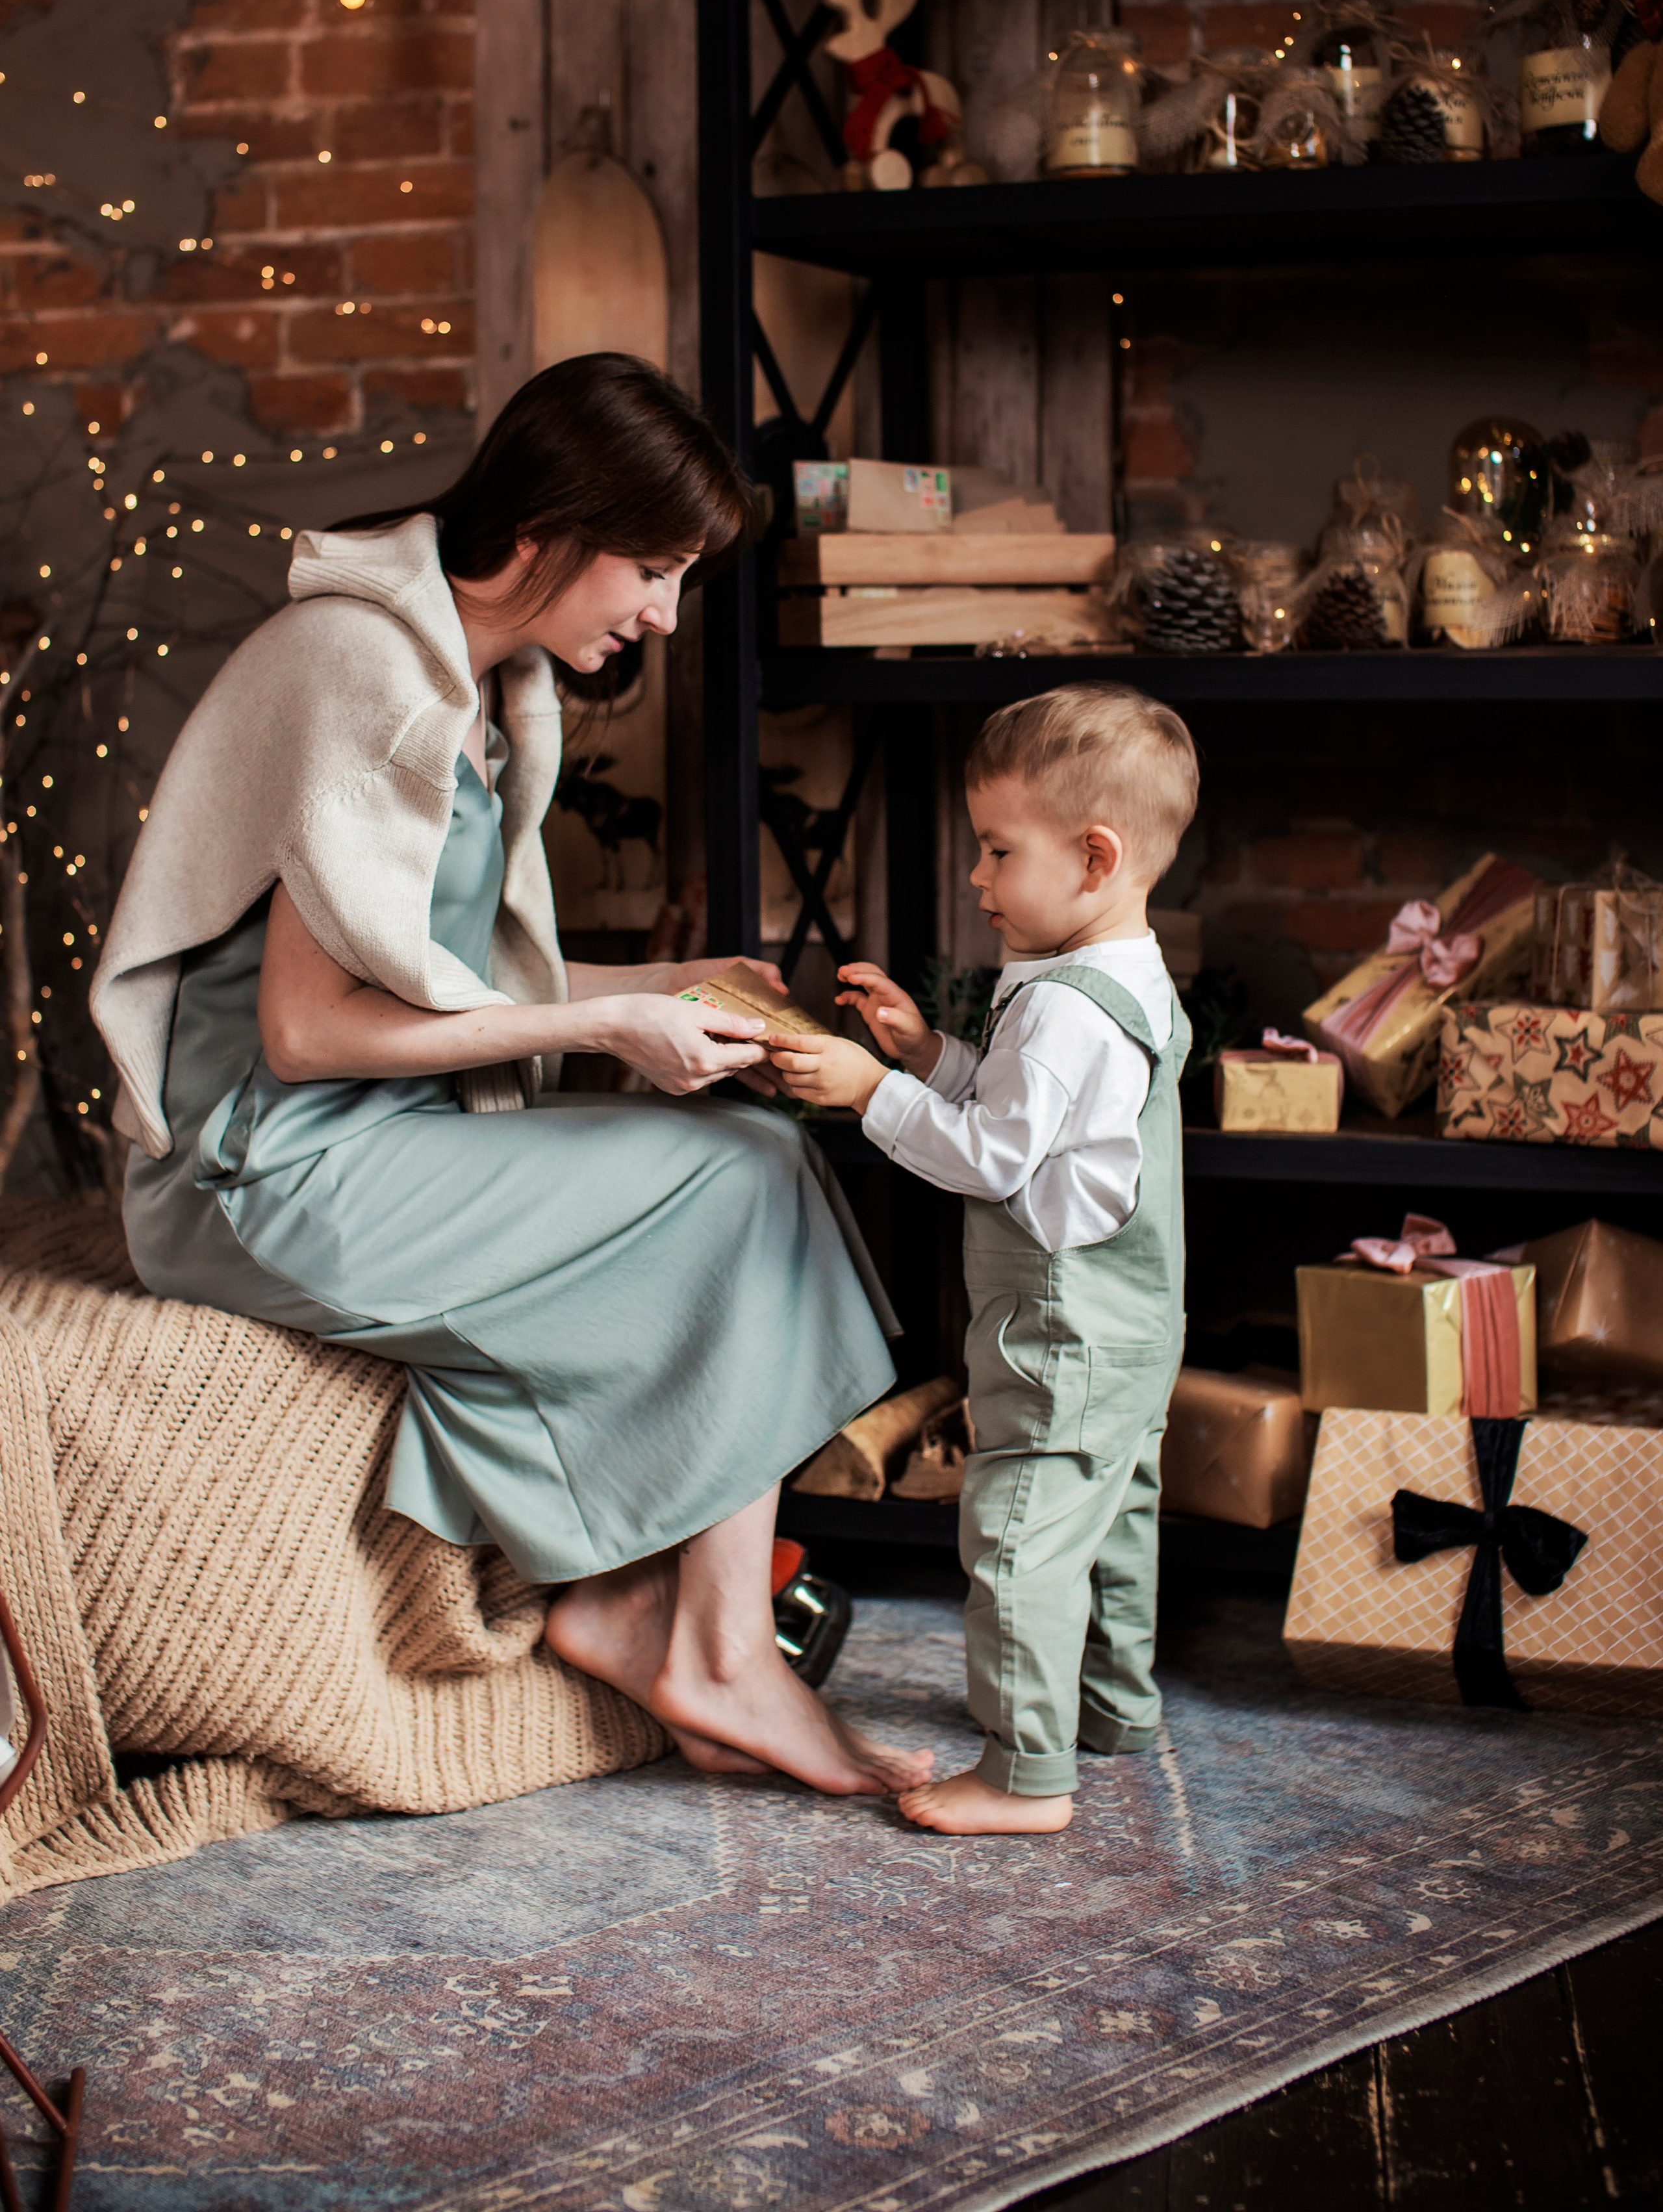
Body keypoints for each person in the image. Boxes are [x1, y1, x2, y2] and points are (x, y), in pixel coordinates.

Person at [92, 353, 932, 1799]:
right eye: (652, 570)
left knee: (749, 1158)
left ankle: (623, 1603)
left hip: (368, 1128)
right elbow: (309, 1033)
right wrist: (603, 1034)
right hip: (260, 1165)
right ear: (549, 528)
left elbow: (454, 982)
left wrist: (665, 984)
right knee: (740, 1176)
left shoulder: (479, 680)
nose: (662, 616)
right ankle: (718, 1653)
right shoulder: (361, 672)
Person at [771, 683, 1198, 1835]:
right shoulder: (1127, 974)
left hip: (1062, 1324)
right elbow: (1030, 1110)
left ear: (1096, 856)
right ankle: (1112, 1711)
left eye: (998, 851)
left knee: (1015, 1535)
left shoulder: (1062, 1007)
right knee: (1110, 1520)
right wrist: (929, 1050)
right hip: (1137, 1318)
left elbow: (995, 1157)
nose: (977, 878)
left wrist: (877, 1093)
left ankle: (1024, 1774)